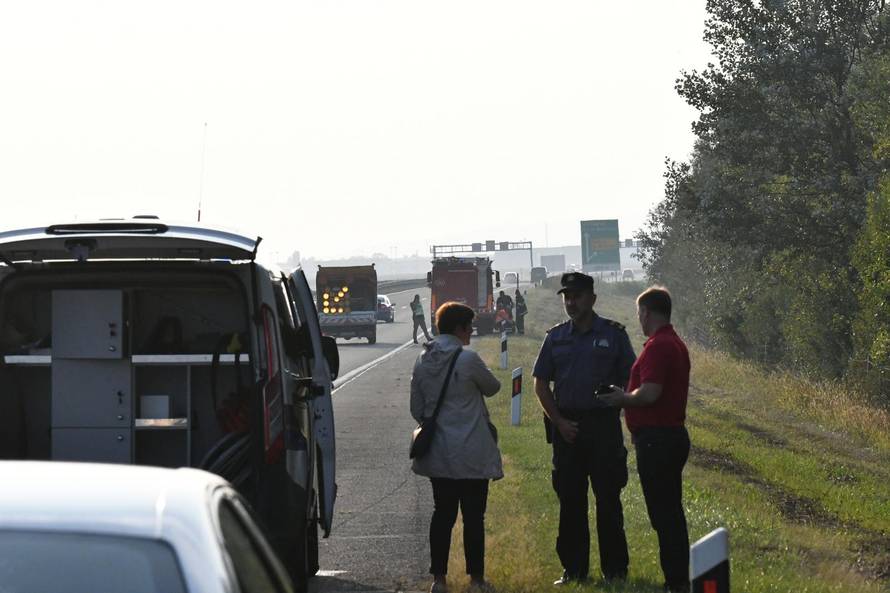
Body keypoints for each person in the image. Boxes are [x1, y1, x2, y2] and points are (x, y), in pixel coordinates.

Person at [532, 272, 635, 585]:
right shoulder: (556, 337)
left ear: (592, 298)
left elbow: (632, 378)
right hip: (568, 429)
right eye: (567, 297)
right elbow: (540, 384)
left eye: (577, 296)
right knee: (571, 504)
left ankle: (615, 572)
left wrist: (620, 397)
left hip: (603, 427)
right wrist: (559, 422)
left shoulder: (614, 334)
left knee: (608, 502)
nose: (571, 302)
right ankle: (574, 571)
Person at [599, 287, 691, 593]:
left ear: (647, 313)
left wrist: (621, 399)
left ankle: (675, 581)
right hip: (668, 437)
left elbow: (650, 393)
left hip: (658, 439)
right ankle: (677, 578)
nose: (639, 318)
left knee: (664, 515)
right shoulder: (673, 342)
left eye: (640, 313)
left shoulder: (657, 346)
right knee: (670, 512)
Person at [411, 302, 503, 593]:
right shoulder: (468, 359)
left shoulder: (423, 359)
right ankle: (476, 579)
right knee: (474, 517)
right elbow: (493, 387)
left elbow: (417, 408)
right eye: (470, 327)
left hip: (439, 451)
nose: (471, 332)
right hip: (472, 450)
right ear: (460, 328)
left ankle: (438, 579)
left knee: (442, 515)